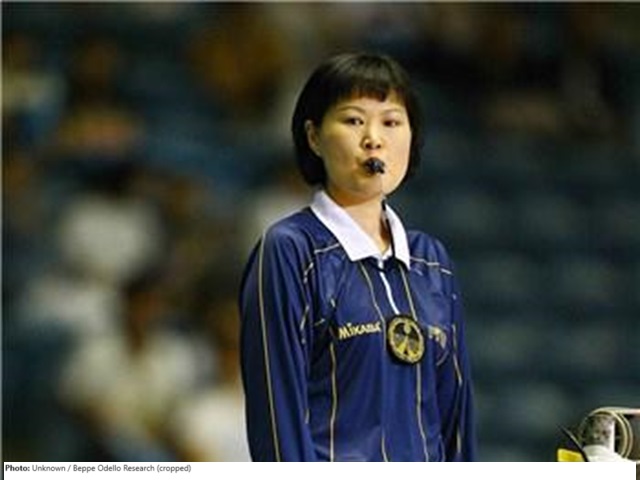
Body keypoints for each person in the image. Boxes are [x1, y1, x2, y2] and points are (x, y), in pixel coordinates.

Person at [239, 52, 476, 462]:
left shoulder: (431, 261)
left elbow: (456, 422)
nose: (373, 138)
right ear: (313, 136)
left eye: (392, 122)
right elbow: (276, 421)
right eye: (353, 120)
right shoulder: (290, 250)